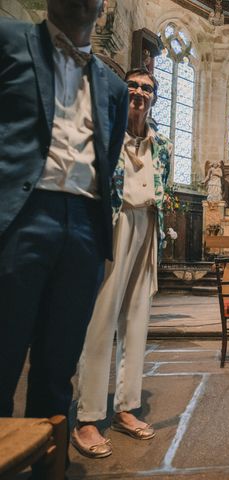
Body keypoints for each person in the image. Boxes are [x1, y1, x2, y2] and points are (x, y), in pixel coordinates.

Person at [0, 0, 127, 434]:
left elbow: (106, 163)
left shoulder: (114, 86)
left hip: (84, 227)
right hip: (22, 216)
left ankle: (48, 464)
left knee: (58, 364)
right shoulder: (9, 39)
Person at [71, 68, 172, 458]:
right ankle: (88, 418)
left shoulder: (160, 144)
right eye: (133, 86)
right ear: (122, 92)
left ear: (154, 98)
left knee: (137, 320)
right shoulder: (108, 135)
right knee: (101, 320)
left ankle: (126, 409)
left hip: (147, 224)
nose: (139, 93)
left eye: (147, 88)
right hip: (114, 224)